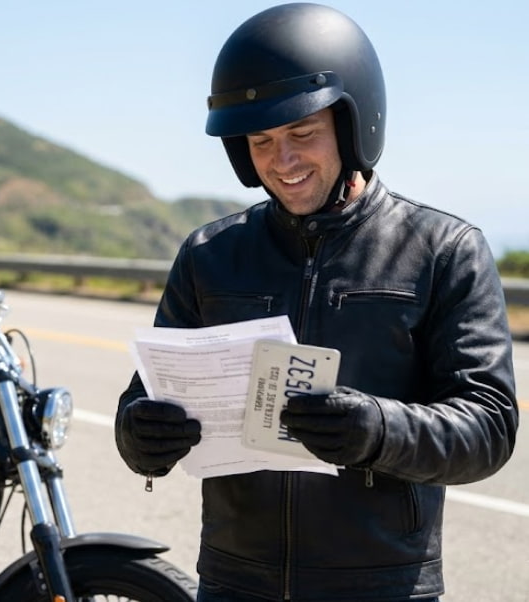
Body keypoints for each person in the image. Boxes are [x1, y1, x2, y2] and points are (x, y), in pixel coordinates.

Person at [114, 3, 519, 601]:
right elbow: (145, 396)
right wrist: (139, 436)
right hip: (233, 582)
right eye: (261, 141)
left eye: (303, 134)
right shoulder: (209, 254)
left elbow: (489, 425)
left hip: (381, 585)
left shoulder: (444, 250)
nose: (283, 162)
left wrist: (377, 430)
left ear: (353, 125)